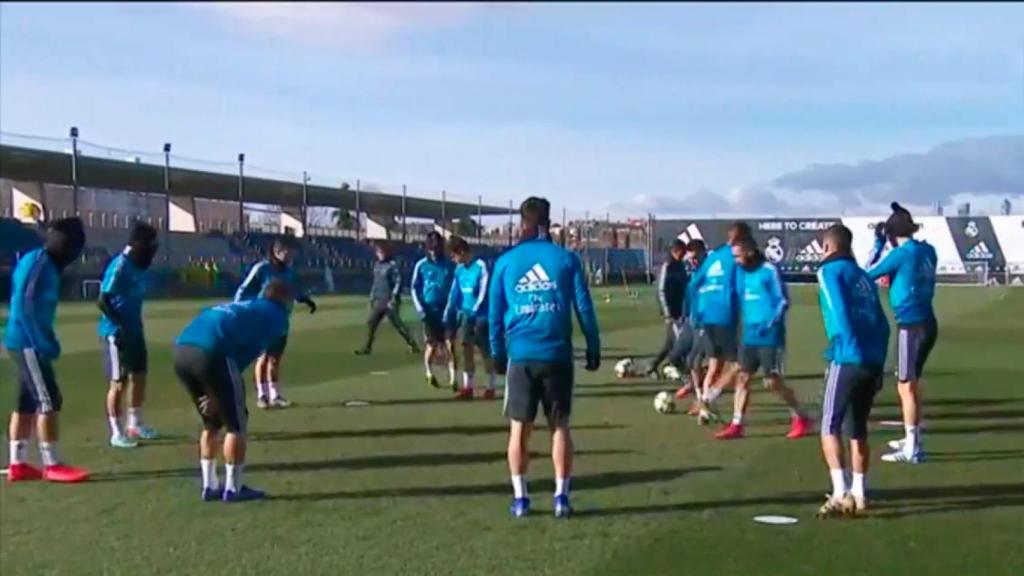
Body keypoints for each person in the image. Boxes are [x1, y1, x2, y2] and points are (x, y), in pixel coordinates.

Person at [489, 197, 601, 519]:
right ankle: (561, 498)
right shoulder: (565, 259)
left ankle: (521, 499)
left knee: (518, 430)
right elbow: (584, 308)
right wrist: (593, 346)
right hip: (557, 355)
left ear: (522, 222)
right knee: (560, 427)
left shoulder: (506, 262)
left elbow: (495, 315)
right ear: (548, 223)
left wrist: (497, 354)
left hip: (521, 356)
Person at [174, 279, 292, 502]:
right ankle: (233, 487)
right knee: (236, 422)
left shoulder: (248, 305)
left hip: (182, 351)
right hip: (212, 352)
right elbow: (251, 351)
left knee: (212, 421)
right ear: (285, 299)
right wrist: (218, 388)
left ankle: (209, 485)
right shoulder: (276, 314)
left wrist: (213, 391)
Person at [5, 217, 90, 483]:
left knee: (26, 402)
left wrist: (47, 336)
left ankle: (17, 464)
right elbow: (25, 305)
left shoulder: (49, 267)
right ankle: (52, 464)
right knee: (48, 400)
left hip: (29, 339)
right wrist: (41, 342)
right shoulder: (39, 263)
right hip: (27, 341)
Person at [814, 224, 889, 517]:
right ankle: (860, 493)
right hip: (872, 359)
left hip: (848, 358)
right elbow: (882, 323)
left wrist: (839, 348)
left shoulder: (828, 272)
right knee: (857, 429)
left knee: (829, 425)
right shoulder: (863, 277)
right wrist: (879, 361)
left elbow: (838, 311)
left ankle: (840, 492)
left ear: (827, 247)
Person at [714, 239, 812, 440]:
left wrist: (769, 323)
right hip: (748, 335)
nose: (735, 260)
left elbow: (783, 301)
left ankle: (801, 417)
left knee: (771, 382)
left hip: (770, 336)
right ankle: (736, 424)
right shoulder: (740, 273)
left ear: (749, 251)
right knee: (743, 377)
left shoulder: (769, 270)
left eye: (738, 255)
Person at [866, 203, 937, 464]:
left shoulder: (900, 254)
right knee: (913, 382)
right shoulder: (928, 250)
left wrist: (877, 248)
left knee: (905, 386)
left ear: (892, 236)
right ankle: (913, 438)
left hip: (910, 324)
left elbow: (867, 274)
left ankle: (913, 449)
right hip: (928, 321)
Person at [97, 221, 161, 449]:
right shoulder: (120, 265)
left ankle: (135, 423)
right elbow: (103, 300)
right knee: (118, 382)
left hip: (136, 331)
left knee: (139, 376)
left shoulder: (138, 265)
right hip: (116, 333)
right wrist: (120, 324)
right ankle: (116, 432)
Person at [234, 236, 316, 409]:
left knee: (275, 358)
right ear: (277, 251)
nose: (290, 256)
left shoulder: (289, 271)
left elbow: (293, 290)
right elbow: (244, 290)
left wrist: (306, 300)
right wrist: (240, 310)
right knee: (263, 357)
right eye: (287, 252)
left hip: (281, 318)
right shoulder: (262, 268)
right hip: (262, 318)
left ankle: (275, 395)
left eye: (292, 253)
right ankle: (262, 395)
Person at [685, 223, 750, 423]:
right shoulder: (736, 258)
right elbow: (741, 286)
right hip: (725, 315)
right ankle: (707, 399)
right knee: (740, 364)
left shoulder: (713, 257)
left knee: (715, 364)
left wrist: (694, 312)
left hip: (706, 316)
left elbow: (694, 285)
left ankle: (705, 411)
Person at [443, 236, 497, 400]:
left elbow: (483, 291)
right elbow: (455, 292)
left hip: (481, 317)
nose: (453, 260)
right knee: (466, 348)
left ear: (461, 252)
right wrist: (449, 310)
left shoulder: (481, 266)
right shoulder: (459, 270)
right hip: (466, 315)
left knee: (485, 351)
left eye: (454, 256)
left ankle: (491, 386)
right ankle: (468, 387)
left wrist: (475, 310)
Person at [355, 242, 419, 355]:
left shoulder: (392, 265)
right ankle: (367, 347)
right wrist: (372, 297)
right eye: (378, 252)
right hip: (380, 300)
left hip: (389, 300)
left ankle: (413, 344)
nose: (379, 254)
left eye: (381, 252)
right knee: (371, 322)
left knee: (398, 324)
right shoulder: (377, 265)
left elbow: (398, 282)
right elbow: (375, 283)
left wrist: (394, 297)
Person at [411, 231, 456, 389]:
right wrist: (420, 308)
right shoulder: (421, 265)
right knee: (432, 344)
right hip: (429, 310)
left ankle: (453, 378)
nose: (434, 252)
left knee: (450, 343)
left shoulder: (450, 264)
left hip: (447, 308)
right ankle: (429, 373)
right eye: (432, 249)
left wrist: (453, 305)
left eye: (437, 249)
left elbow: (455, 286)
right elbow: (414, 288)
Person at [645, 239, 689, 379]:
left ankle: (651, 366)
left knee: (670, 342)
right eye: (681, 253)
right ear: (674, 251)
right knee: (679, 343)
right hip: (671, 312)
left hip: (681, 310)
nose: (683, 256)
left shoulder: (680, 265)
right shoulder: (668, 266)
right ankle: (685, 374)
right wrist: (667, 313)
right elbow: (661, 290)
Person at [673, 239, 708, 398]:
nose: (693, 261)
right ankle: (693, 382)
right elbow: (688, 297)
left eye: (696, 257)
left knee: (693, 360)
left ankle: (700, 397)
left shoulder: (710, 272)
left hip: (705, 324)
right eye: (691, 258)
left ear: (703, 254)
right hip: (690, 322)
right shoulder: (693, 273)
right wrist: (683, 316)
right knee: (674, 357)